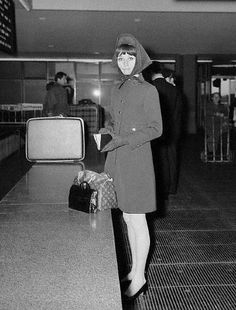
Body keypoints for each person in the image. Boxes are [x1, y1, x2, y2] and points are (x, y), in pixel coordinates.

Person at [100, 33, 163, 302]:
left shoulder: (149, 90)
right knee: (127, 218)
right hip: (119, 162)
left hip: (137, 162)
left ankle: (140, 277)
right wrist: (107, 133)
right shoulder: (116, 90)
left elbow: (156, 129)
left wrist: (123, 138)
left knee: (137, 220)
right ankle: (135, 269)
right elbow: (115, 124)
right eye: (121, 57)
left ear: (139, 60)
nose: (125, 62)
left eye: (130, 57)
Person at [147, 61, 183, 203]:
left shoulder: (150, 89)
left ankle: (160, 189)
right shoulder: (175, 90)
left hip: (156, 132)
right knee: (172, 160)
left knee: (158, 161)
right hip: (173, 132)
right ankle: (171, 188)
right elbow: (179, 113)